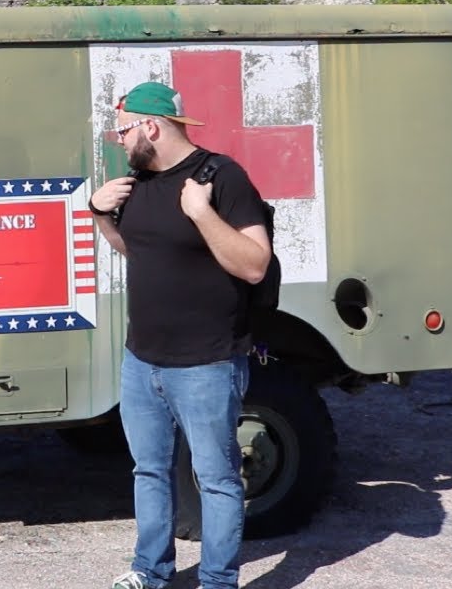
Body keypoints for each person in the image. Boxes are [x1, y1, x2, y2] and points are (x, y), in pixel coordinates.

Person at [88, 81, 271, 589]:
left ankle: (217, 581)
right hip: (142, 362)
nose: (119, 141)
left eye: (123, 131)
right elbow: (142, 251)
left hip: (207, 363)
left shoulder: (222, 178)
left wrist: (202, 213)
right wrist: (101, 214)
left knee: (214, 480)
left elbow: (254, 265)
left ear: (151, 126)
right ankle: (151, 571)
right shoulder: (138, 181)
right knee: (148, 471)